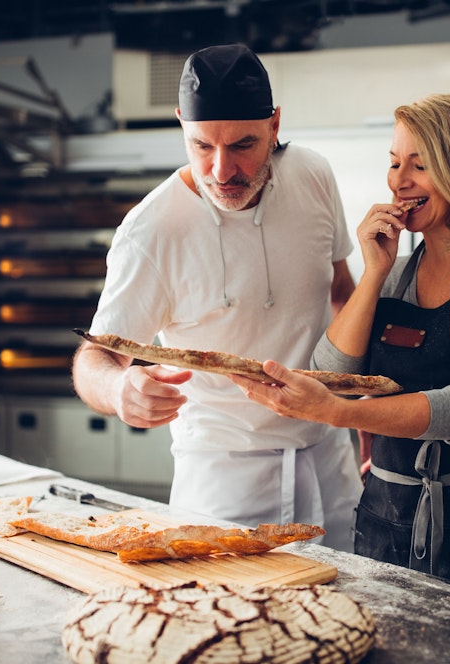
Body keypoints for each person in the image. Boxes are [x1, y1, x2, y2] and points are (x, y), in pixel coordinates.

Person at [231, 90, 450, 608]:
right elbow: (330, 372)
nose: (398, 181)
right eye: (393, 163)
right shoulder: (398, 273)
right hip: (387, 518)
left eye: (419, 165)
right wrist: (373, 274)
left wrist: (338, 414)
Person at [71, 44, 361, 552]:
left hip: (331, 461)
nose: (222, 171)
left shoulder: (313, 175)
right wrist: (119, 390)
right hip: (223, 483)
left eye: (244, 145)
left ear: (274, 125)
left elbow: (341, 291)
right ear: (182, 123)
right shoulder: (151, 231)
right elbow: (95, 357)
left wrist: (363, 411)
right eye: (202, 146)